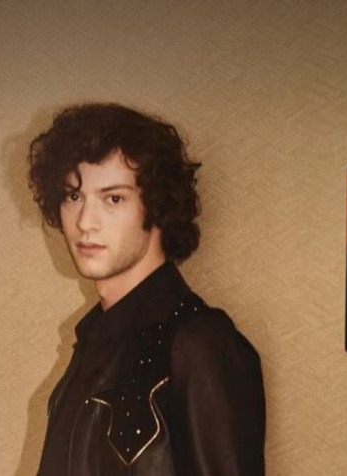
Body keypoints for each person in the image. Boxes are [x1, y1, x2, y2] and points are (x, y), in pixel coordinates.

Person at [28, 103, 266, 476]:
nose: (85, 222)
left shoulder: (199, 343)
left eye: (113, 198)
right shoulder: (94, 339)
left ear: (156, 207)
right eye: (74, 196)